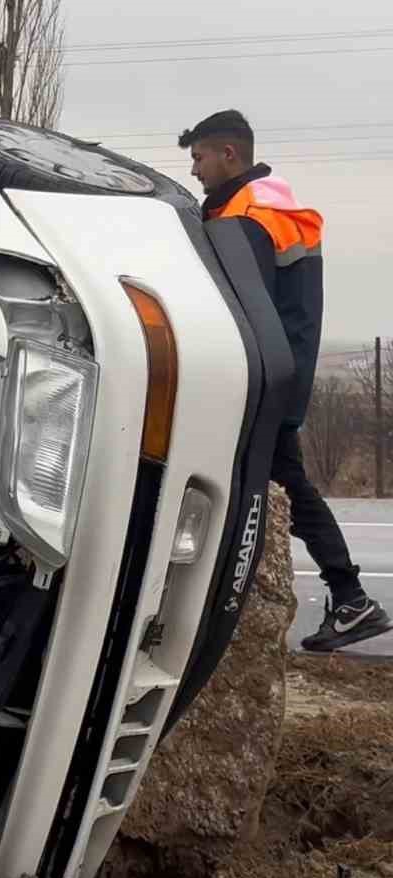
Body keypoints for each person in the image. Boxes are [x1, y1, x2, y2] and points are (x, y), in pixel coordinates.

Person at [180, 110, 391, 651]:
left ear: (229, 154)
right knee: (286, 483)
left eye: (199, 158)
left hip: (261, 379)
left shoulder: (247, 220)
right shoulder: (272, 206)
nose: (195, 170)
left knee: (277, 486)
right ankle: (349, 597)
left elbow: (237, 308)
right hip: (282, 373)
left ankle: (348, 597)